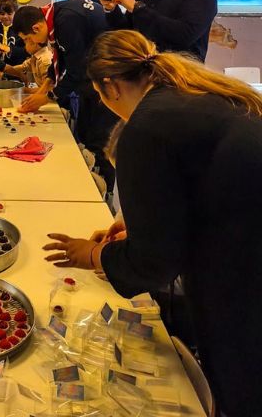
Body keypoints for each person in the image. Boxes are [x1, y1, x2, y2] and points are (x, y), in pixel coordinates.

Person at [42, 30, 262, 417]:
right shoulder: (190, 91)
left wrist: (93, 254)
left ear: (109, 87)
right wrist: (138, 220)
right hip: (243, 227)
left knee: (240, 381)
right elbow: (194, 180)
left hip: (244, 271)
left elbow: (155, 261)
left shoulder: (147, 126)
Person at [12, 0, 117, 188]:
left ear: (36, 28)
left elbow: (76, 69)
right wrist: (45, 87)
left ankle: (101, 191)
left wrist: (48, 97)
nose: (30, 44)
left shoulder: (67, 20)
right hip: (92, 82)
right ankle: (84, 181)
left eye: (28, 39)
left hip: (109, 84)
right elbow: (59, 58)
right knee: (84, 134)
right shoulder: (55, 17)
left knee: (99, 143)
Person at [0, 0, 28, 66]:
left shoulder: (22, 29)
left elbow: (27, 51)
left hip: (16, 70)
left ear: (16, 12)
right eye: (2, 14)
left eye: (9, 13)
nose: (5, 16)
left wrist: (10, 49)